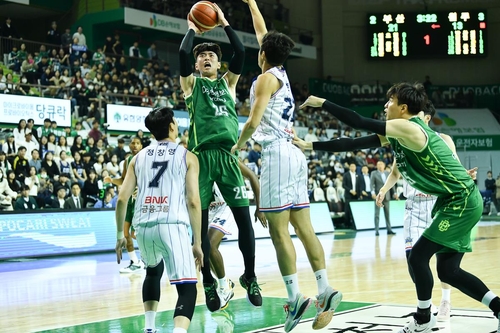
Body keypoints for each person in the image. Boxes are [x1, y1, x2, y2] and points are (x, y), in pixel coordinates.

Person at [294, 83, 500, 333]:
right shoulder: (398, 132)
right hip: (452, 200)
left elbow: (358, 121)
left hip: (461, 201)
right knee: (448, 270)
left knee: (419, 255)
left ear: (403, 108)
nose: (384, 105)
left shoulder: (411, 128)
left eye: (389, 101)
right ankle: (498, 307)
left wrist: (323, 102)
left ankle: (424, 318)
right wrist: (311, 146)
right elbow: (353, 142)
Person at [231, 1, 343, 331]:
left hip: (278, 154)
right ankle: (325, 289)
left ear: (262, 53)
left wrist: (236, 147)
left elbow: (252, 121)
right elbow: (263, 33)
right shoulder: (281, 71)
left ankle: (295, 299)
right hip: (295, 153)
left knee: (279, 232)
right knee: (304, 228)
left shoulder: (266, 79)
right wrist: (252, 4)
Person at [179, 3, 261, 312]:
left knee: (244, 222)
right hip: (201, 159)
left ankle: (250, 276)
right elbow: (182, 55)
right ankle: (209, 283)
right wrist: (191, 27)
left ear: (218, 61)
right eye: (201, 56)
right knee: (199, 233)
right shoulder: (191, 85)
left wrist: (224, 22)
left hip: (227, 157)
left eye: (211, 55)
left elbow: (240, 52)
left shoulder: (228, 82)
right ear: (197, 65)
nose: (206, 58)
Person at [115, 107, 203, 333]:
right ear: (172, 126)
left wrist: (119, 236)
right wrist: (198, 242)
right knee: (187, 287)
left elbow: (122, 198)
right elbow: (193, 201)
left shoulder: (137, 157)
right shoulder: (187, 156)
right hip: (171, 224)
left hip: (143, 227)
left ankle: (150, 328)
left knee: (153, 271)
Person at [208, 160, 267, 310]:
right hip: (206, 210)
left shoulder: (225, 157)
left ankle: (224, 287)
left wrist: (259, 207)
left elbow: (252, 176)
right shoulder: (195, 158)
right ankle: (225, 282)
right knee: (206, 253)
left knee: (209, 244)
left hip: (224, 206)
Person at [105, 137, 144, 273]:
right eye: (132, 143)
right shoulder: (127, 161)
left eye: (137, 143)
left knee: (137, 233)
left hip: (142, 200)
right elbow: (123, 180)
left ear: (141, 146)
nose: (134, 145)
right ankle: (135, 261)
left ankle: (148, 259)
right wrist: (111, 180)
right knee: (126, 232)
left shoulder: (146, 158)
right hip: (130, 201)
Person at [371, 160, 396, 236]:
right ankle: (377, 230)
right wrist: (373, 193)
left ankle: (389, 229)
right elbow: (371, 184)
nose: (380, 165)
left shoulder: (388, 173)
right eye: (378, 164)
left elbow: (392, 184)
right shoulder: (374, 173)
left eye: (381, 164)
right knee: (377, 214)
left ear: (384, 165)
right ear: (377, 166)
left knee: (387, 214)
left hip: (387, 196)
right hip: (378, 196)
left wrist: (394, 193)